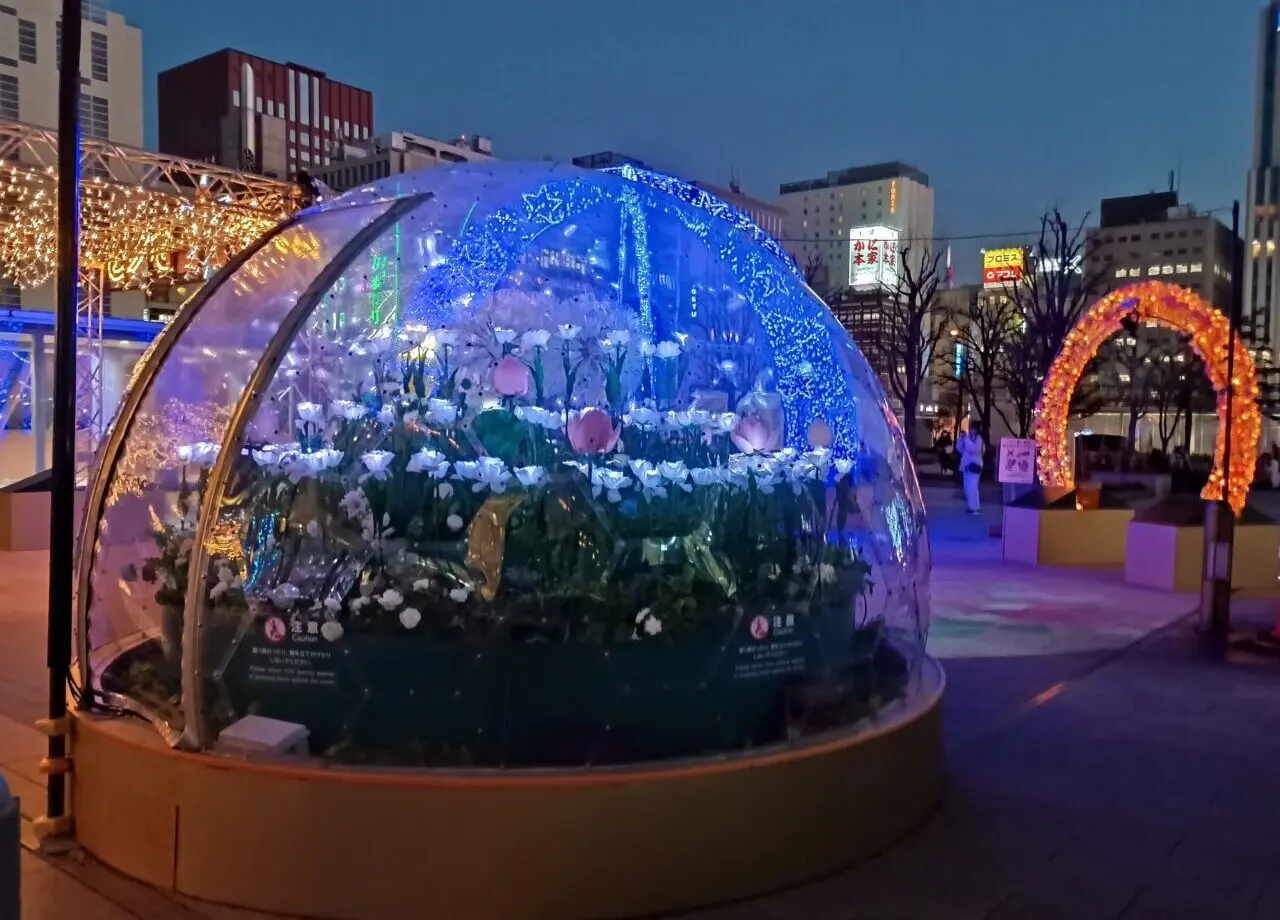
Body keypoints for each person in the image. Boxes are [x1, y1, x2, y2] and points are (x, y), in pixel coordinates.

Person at [956, 423, 984, 515]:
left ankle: (974, 508)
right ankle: (971, 507)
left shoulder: (979, 439)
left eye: (972, 428)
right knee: (967, 487)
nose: (970, 430)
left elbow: (973, 449)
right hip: (966, 466)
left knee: (972, 487)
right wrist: (962, 439)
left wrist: (966, 439)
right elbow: (960, 449)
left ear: (976, 429)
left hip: (974, 466)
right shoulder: (970, 438)